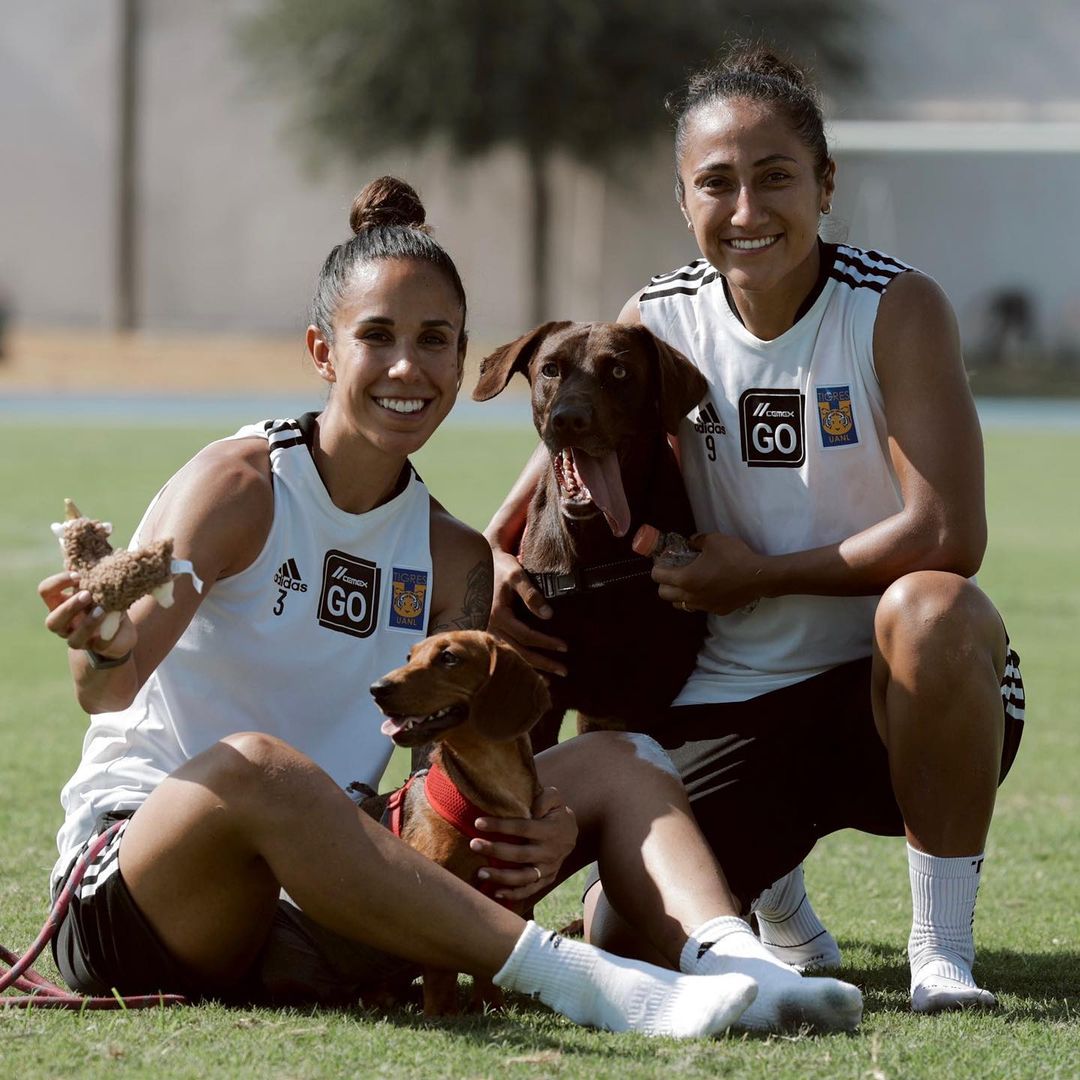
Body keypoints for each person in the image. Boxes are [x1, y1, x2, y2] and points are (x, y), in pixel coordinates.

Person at [37, 176, 862, 1035]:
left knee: (627, 759)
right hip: (143, 889)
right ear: (323, 352)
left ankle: (740, 968)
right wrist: (101, 641)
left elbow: (450, 768)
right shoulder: (241, 485)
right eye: (376, 337)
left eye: (434, 341)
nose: (408, 368)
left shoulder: (452, 555)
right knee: (259, 766)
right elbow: (109, 685)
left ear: (463, 359)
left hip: (327, 894)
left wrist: (535, 821)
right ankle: (593, 984)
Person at [485, 47, 1025, 1016]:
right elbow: (559, 467)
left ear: (825, 185)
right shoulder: (658, 319)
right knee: (623, 932)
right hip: (732, 693)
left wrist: (761, 575)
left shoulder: (893, 306)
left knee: (934, 608)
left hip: (897, 691)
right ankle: (781, 904)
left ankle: (942, 957)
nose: (746, 210)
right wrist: (492, 560)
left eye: (775, 177)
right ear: (682, 199)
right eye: (717, 183)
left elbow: (948, 532)